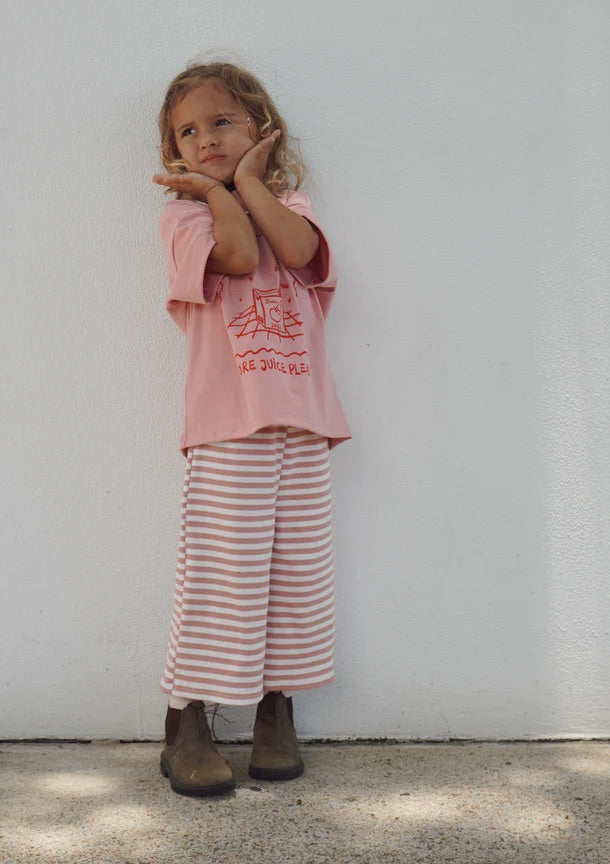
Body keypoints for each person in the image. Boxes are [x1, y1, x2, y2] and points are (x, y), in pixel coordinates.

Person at [152, 61, 350, 796]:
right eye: (189, 132)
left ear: (262, 130)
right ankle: (189, 721)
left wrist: (254, 184)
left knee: (295, 575)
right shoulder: (185, 218)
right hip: (227, 426)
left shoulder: (290, 204)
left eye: (222, 122)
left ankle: (277, 710)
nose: (205, 139)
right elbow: (234, 258)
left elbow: (296, 253)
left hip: (302, 422)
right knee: (222, 575)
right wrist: (212, 191)